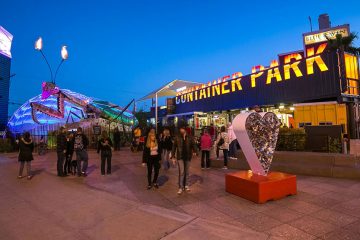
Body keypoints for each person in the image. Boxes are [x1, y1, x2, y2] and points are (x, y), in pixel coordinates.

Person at [171, 126, 197, 195]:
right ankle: (180, 187)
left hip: (188, 157)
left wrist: (195, 151)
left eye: (182, 128)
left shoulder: (190, 137)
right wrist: (173, 156)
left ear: (185, 130)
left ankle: (186, 185)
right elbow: (174, 147)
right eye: (180, 129)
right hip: (180, 157)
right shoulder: (177, 137)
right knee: (182, 171)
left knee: (187, 172)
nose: (181, 130)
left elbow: (193, 145)